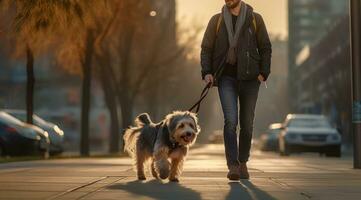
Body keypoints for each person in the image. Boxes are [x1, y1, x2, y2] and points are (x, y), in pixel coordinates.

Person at [200, 0, 272, 180]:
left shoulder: (255, 19)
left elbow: (265, 47)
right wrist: (207, 72)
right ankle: (232, 166)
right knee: (230, 121)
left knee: (247, 124)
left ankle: (243, 162)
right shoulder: (216, 21)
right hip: (226, 78)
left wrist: (264, 72)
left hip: (250, 79)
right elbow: (206, 48)